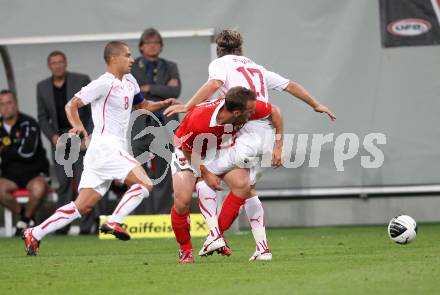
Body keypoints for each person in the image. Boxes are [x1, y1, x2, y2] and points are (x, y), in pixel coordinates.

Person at [165, 29, 336, 261]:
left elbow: (215, 83)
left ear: (219, 50)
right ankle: (252, 248)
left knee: (218, 185)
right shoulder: (256, 70)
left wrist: (187, 104)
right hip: (199, 146)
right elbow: (290, 86)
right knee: (219, 192)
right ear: (242, 49)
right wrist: (315, 105)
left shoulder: (223, 71)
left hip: (237, 139)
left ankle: (215, 236)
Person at [22, 41, 177, 256]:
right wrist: (78, 126)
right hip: (107, 146)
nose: (132, 59)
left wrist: (163, 104)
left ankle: (35, 233)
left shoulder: (129, 80)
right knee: (145, 184)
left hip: (101, 152)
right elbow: (72, 105)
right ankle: (114, 221)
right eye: (128, 55)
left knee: (81, 206)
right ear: (114, 59)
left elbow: (143, 106)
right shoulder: (103, 83)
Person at [171, 86, 277, 264]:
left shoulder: (245, 108)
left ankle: (215, 235)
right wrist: (205, 173)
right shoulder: (200, 120)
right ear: (236, 112)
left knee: (243, 185)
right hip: (188, 151)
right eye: (249, 112)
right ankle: (185, 249)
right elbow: (186, 148)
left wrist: (278, 145)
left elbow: (276, 112)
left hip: (217, 149)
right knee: (182, 202)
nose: (253, 114)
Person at [37, 51, 94, 234]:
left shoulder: (81, 79)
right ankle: (61, 227)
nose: (57, 66)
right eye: (53, 63)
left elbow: (92, 109)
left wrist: (89, 135)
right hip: (59, 139)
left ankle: (87, 227)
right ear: (49, 66)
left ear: (65, 63)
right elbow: (43, 117)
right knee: (63, 184)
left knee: (84, 183)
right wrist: (53, 137)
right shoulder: (42, 87)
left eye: (60, 62)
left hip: (80, 135)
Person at [130, 28, 181, 214]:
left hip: (165, 124)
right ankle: (140, 215)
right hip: (140, 123)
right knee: (138, 171)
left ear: (161, 46)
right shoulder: (132, 66)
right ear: (141, 46)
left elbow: (175, 92)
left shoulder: (170, 66)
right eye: (148, 43)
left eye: (156, 43)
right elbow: (133, 94)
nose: (152, 46)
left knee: (164, 171)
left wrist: (149, 87)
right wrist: (162, 88)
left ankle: (161, 215)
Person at [0, 90, 50, 235]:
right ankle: (26, 217)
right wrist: (12, 150)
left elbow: (26, 153)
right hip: (10, 174)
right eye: (2, 104)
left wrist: (4, 150)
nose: (6, 107)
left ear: (16, 104)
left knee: (40, 188)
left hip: (33, 172)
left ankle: (24, 220)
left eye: (9, 103)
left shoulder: (29, 123)